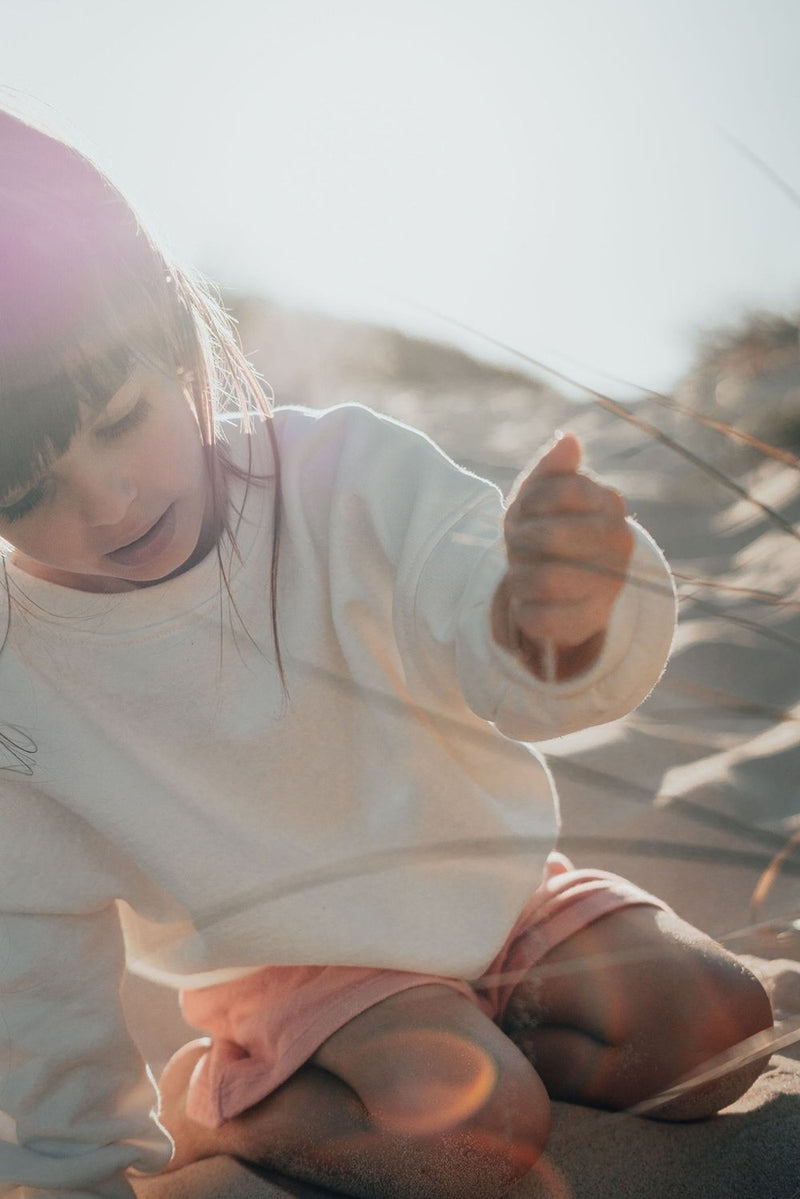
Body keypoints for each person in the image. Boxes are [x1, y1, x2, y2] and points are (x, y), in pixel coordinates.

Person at [0, 107, 772, 1199]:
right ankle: (230, 1100)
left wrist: (554, 613)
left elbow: (495, 645)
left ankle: (474, 1043)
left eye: (122, 418)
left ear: (169, 338)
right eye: (24, 491)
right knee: (473, 1138)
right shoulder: (18, 669)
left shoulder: (345, 473)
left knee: (718, 1033)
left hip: (502, 897)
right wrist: (80, 1162)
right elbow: (32, 955)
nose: (108, 497)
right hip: (309, 971)